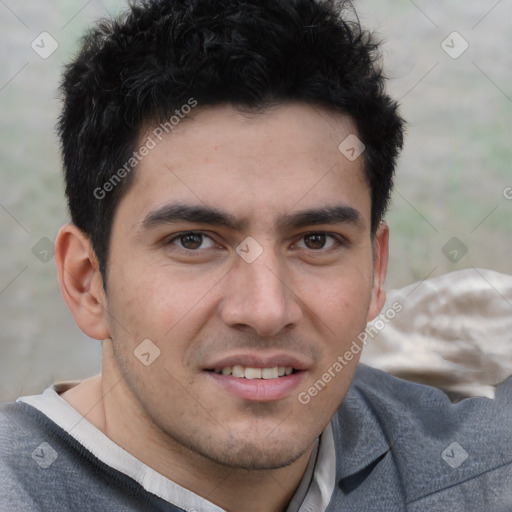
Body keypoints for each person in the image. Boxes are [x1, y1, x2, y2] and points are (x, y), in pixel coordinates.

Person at [1, 0, 511, 510]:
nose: (267, 310)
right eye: (193, 241)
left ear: (377, 272)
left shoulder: (475, 475)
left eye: (316, 240)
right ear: (88, 281)